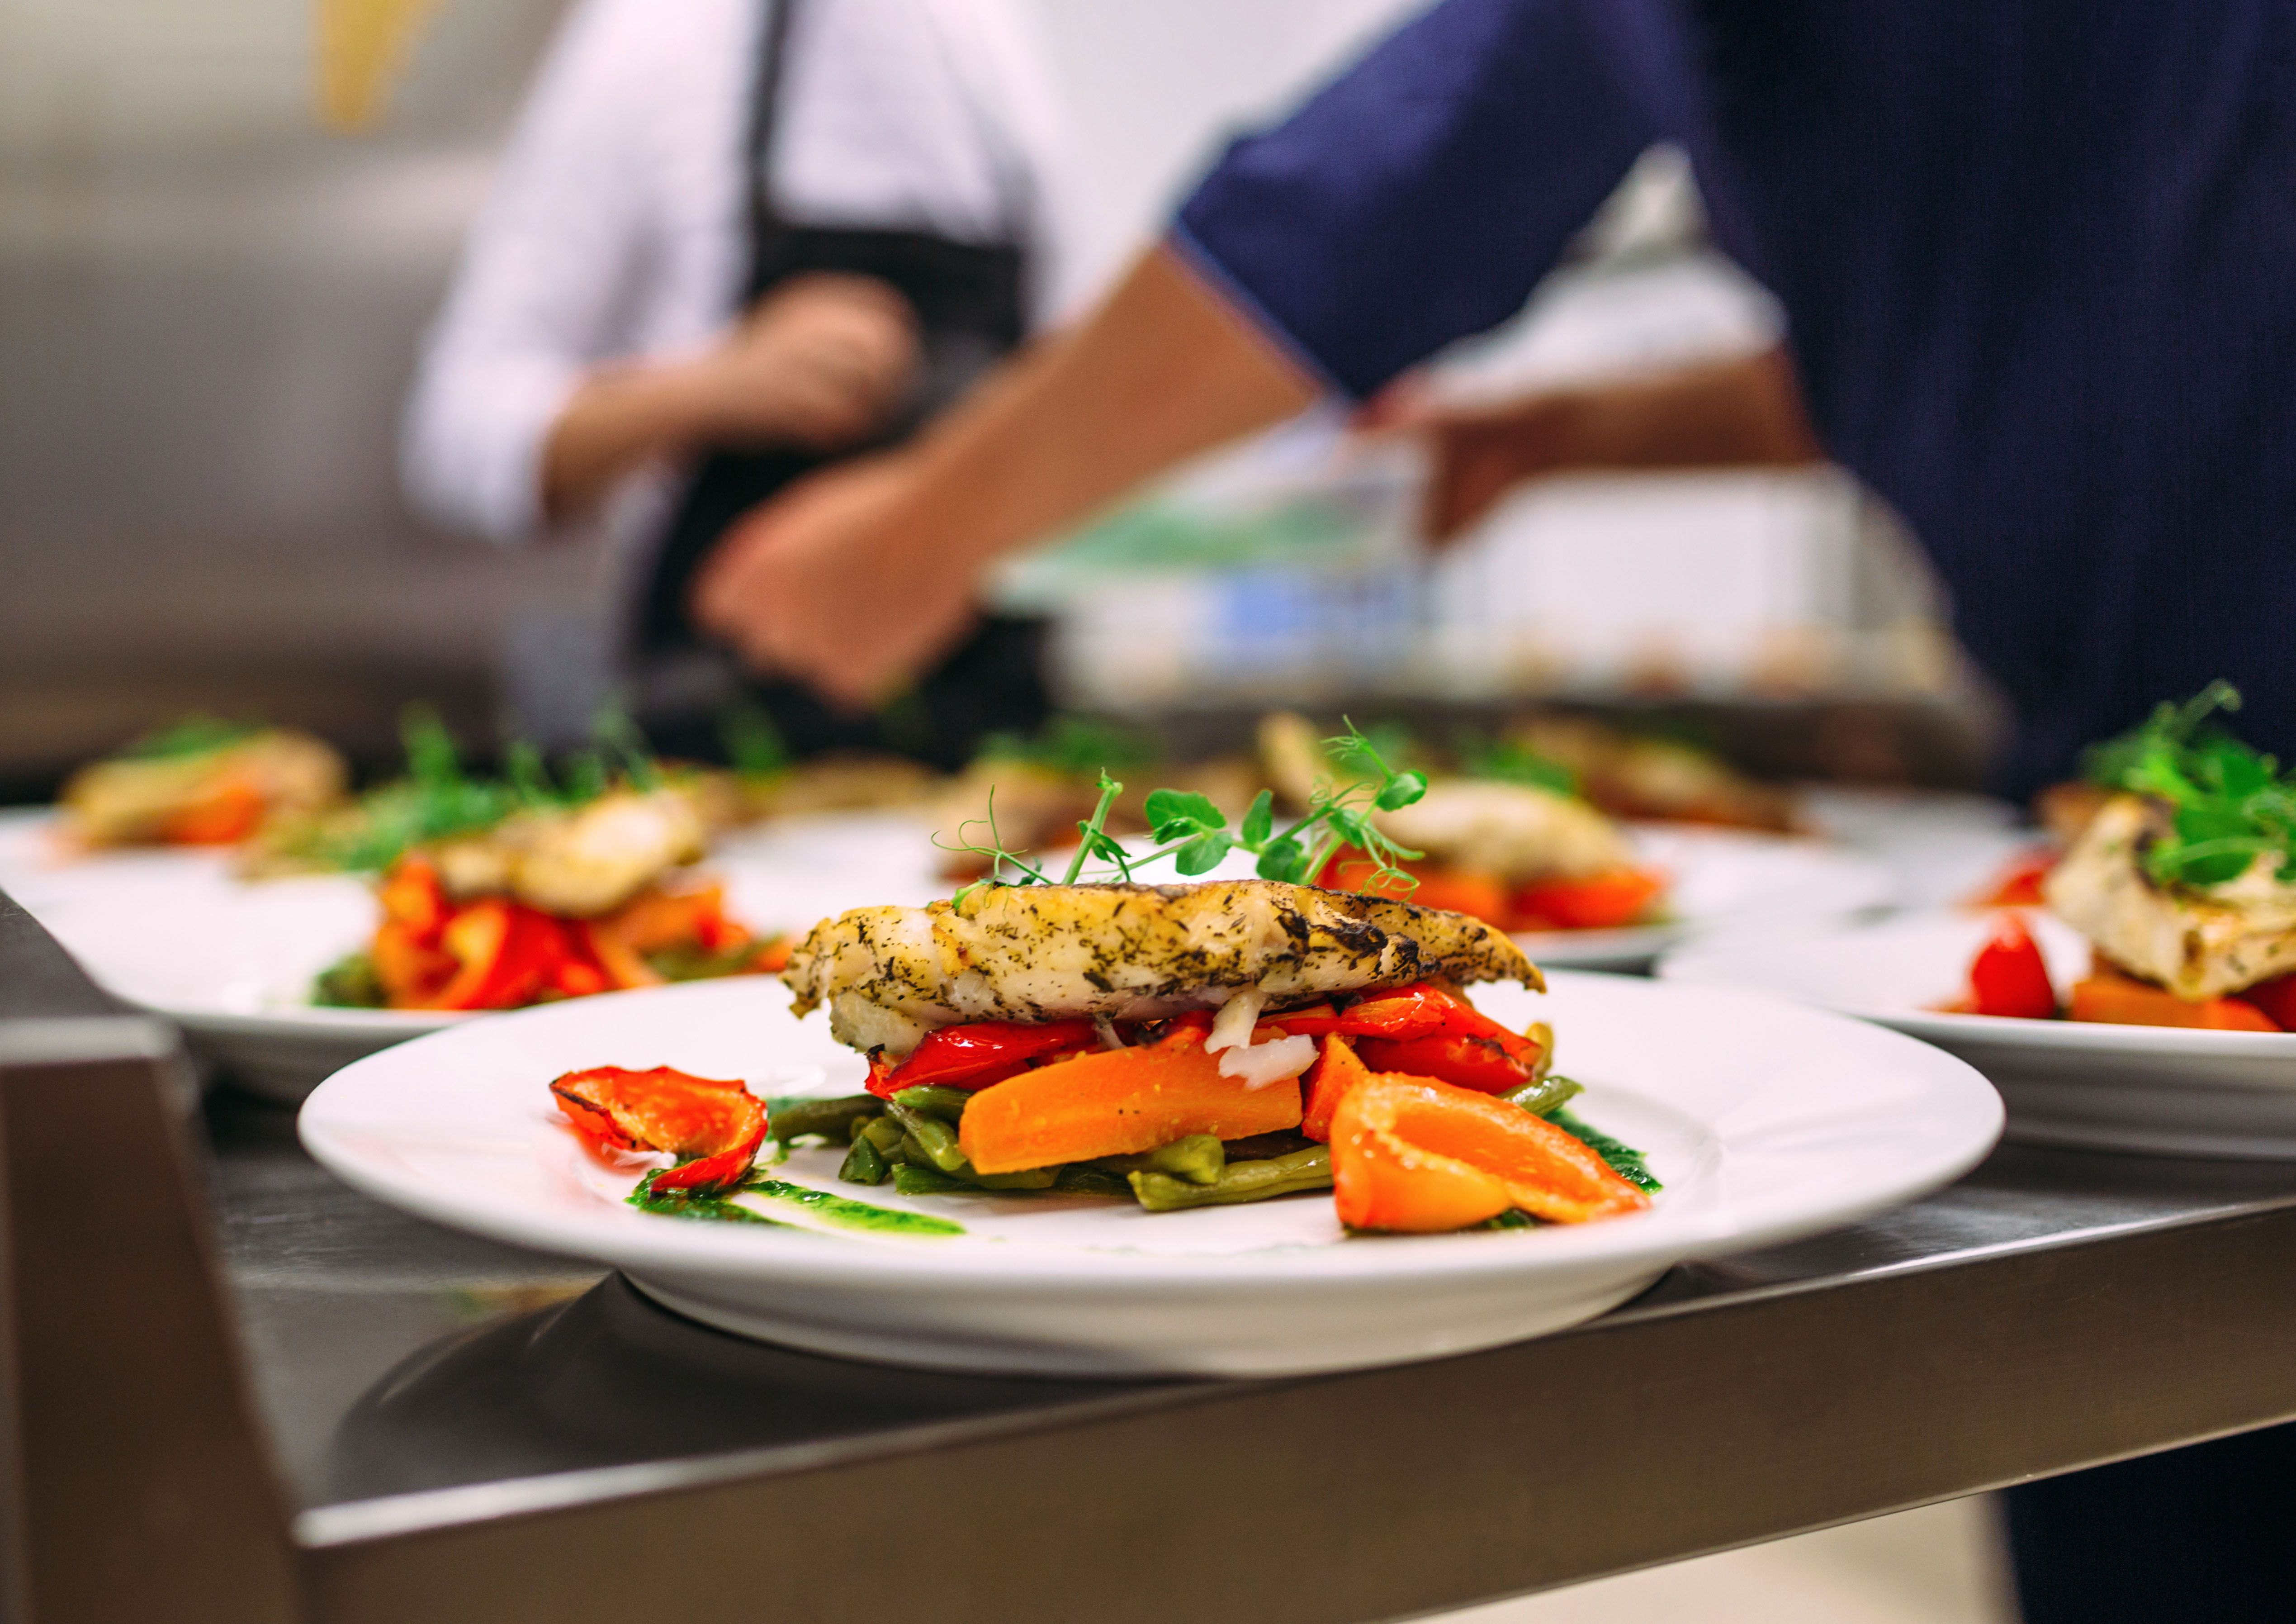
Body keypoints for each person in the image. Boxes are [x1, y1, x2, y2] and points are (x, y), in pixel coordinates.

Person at [689, 3, 2296, 1616]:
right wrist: (1568, 433)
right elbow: (2012, 342)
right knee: (2164, 1472)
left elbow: (1393, 171)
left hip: (2191, 785)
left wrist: (922, 533)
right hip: (2137, 822)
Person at [402, 0, 1078, 766]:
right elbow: (455, 433)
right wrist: (715, 386)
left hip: (995, 756)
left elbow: (1063, 389)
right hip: (717, 746)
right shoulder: (661, 33)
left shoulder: (989, 45)